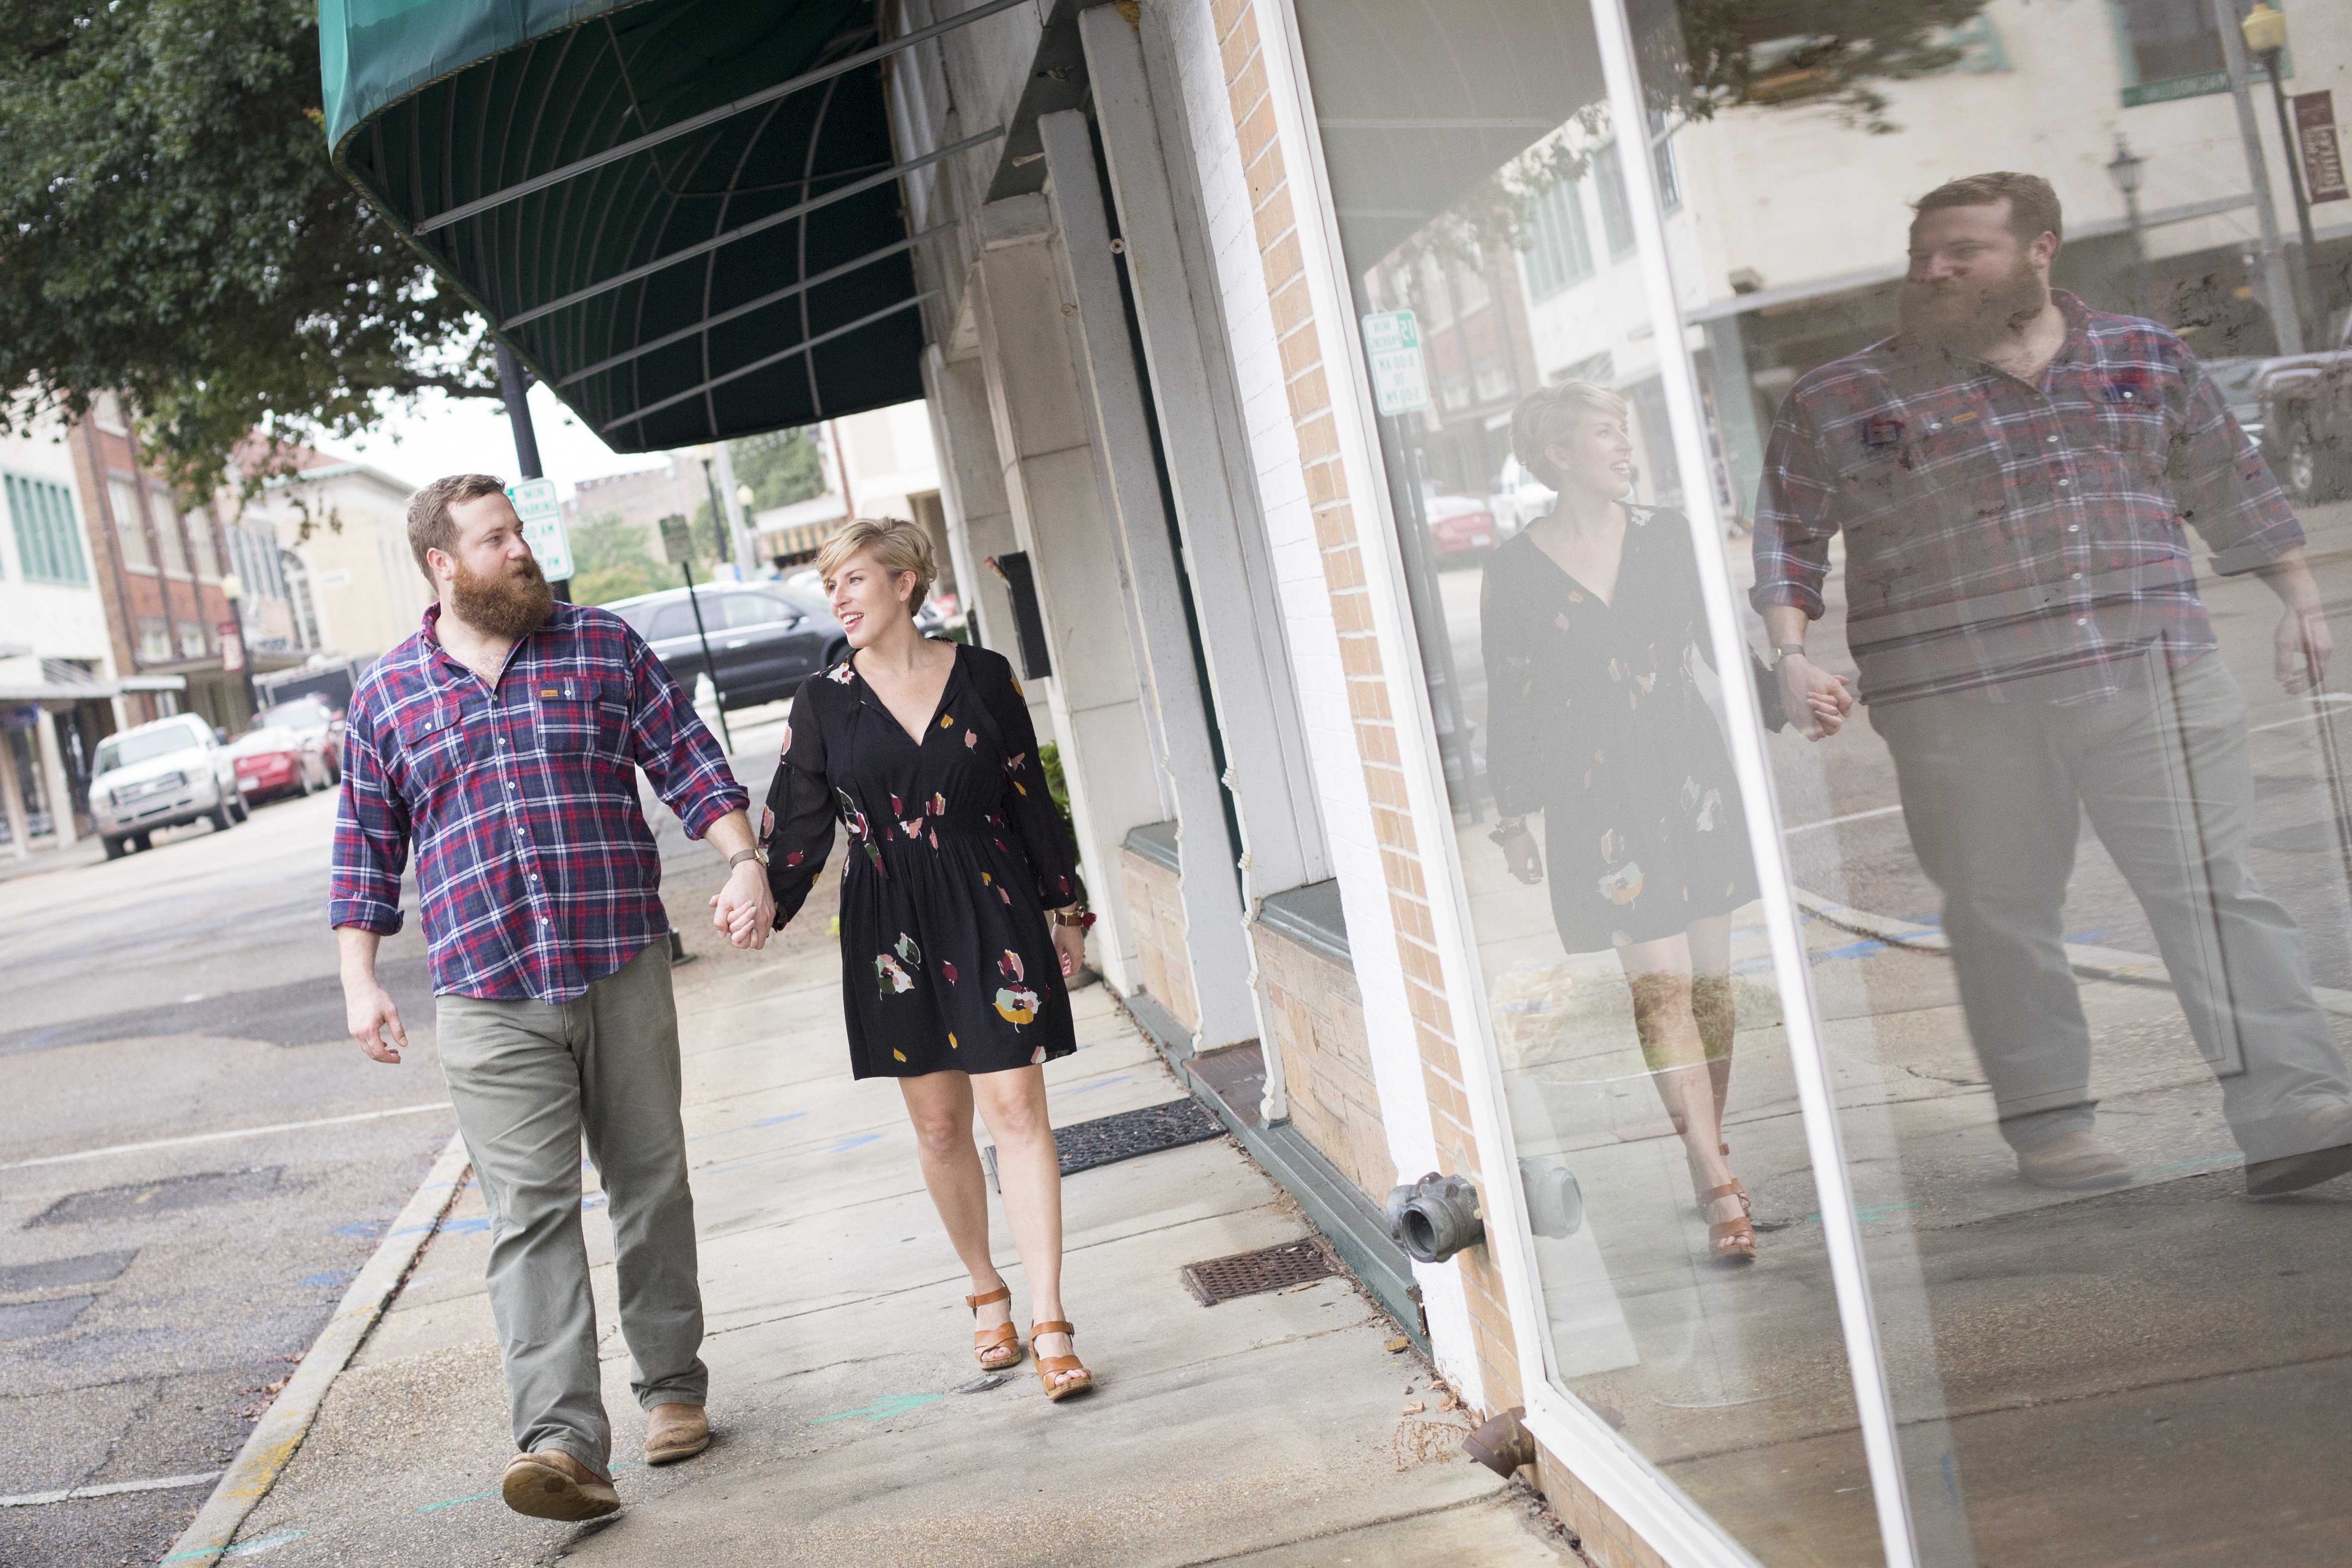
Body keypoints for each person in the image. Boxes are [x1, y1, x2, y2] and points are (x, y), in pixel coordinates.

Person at [1753, 171, 2352, 1197]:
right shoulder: (1845, 395)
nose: (1934, 270)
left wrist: (2299, 596)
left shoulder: (2142, 354)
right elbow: (1790, 536)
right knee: (2002, 911)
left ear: (2041, 250)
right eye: (1921, 254)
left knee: (2215, 892)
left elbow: (2229, 483)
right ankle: (2051, 1124)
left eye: (1962, 252)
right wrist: (1790, 649)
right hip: (1960, 702)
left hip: (2155, 674)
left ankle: (2291, 1108)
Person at [331, 474, 775, 1520]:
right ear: (443, 563)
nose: (521, 550)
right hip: (487, 995)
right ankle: (564, 1442)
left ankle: (673, 1385)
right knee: (529, 1217)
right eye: (496, 539)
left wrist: (743, 860)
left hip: (617, 961)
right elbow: (364, 850)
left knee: (651, 1180)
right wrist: (359, 980)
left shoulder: (601, 646)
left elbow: (688, 760)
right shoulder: (388, 696)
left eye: (520, 532)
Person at [742, 516, 1096, 1398]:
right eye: (831, 586)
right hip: (889, 925)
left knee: (1014, 1106)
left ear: (905, 584)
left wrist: (1066, 907)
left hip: (990, 902)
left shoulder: (981, 677)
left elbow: (1027, 797)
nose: (838, 599)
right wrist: (759, 892)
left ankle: (1051, 1319)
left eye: (854, 580)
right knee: (940, 1125)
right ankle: (986, 1290)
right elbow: (797, 822)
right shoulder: (823, 699)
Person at [1482, 381, 1797, 1262]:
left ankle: (1706, 1142)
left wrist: (1792, 695)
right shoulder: (1513, 569)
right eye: (1603, 434)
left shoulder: (1671, 539)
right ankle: (1712, 1173)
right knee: (1657, 988)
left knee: (1709, 988)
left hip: (1690, 776)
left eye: (1623, 433)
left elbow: (1720, 650)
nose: (1623, 448)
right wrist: (1513, 816)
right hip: (1598, 795)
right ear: (1558, 454)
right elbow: (1513, 695)